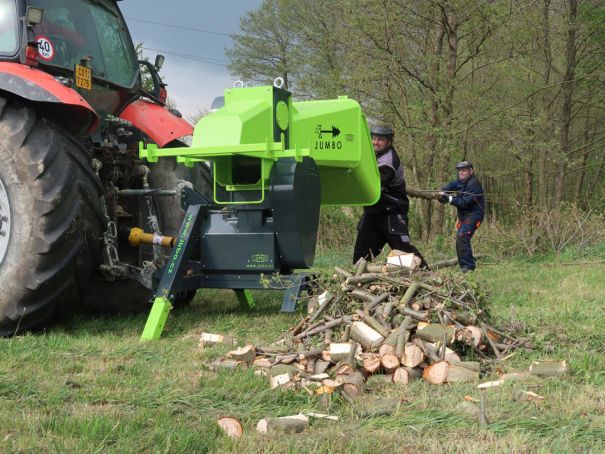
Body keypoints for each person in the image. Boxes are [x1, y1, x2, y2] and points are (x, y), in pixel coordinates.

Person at [353, 125, 428, 268]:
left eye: (380, 140)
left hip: (392, 213)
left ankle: (427, 274)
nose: (375, 142)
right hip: (373, 213)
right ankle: (356, 281)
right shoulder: (373, 155)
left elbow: (373, 188)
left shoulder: (388, 162)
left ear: (389, 142)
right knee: (361, 256)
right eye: (374, 138)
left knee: (403, 251)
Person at [438, 161, 485, 272]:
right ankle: (465, 265)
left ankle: (468, 267)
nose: (461, 173)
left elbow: (463, 202)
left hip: (474, 215)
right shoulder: (460, 181)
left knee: (463, 236)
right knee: (461, 238)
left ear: (471, 171)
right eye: (459, 170)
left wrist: (449, 199)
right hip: (464, 215)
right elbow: (449, 187)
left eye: (464, 170)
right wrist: (441, 194)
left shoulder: (474, 184)